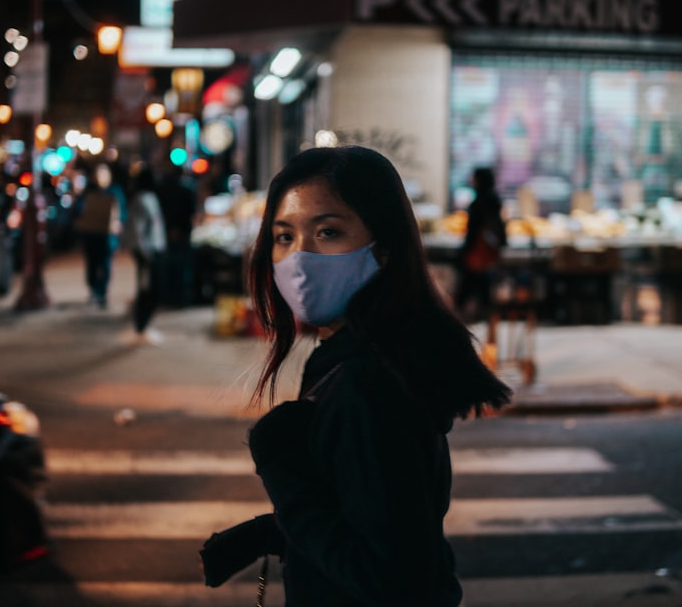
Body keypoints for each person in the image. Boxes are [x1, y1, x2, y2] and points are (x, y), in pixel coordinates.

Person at [199, 145, 511, 606]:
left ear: (382, 248)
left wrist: (287, 480)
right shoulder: (371, 352)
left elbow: (393, 581)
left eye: (327, 232)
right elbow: (373, 521)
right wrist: (276, 532)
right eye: (284, 237)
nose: (299, 258)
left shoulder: (368, 384)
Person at [121, 167, 167, 343]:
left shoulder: (148, 198)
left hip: (153, 250)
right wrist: (144, 252)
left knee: (150, 288)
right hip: (147, 252)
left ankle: (143, 324)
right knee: (147, 289)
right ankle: (141, 325)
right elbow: (137, 230)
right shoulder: (142, 200)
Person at [455, 166, 506, 323]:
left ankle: (462, 318)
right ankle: (487, 320)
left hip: (476, 254)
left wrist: (463, 251)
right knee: (484, 289)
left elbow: (473, 232)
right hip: (489, 255)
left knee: (467, 288)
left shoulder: (478, 204)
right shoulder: (495, 202)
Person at [73, 163, 122, 309]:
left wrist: (119, 223)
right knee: (92, 264)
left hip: (107, 235)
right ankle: (94, 289)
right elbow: (78, 209)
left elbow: (121, 210)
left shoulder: (115, 191)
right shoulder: (88, 191)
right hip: (91, 234)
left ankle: (102, 292)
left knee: (106, 264)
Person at [156, 160, 198, 308]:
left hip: (166, 232)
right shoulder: (187, 190)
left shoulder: (161, 190)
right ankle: (179, 298)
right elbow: (192, 212)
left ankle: (168, 297)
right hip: (182, 233)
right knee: (181, 267)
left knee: (168, 266)